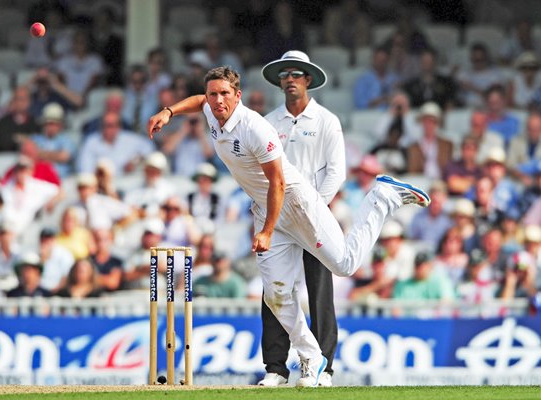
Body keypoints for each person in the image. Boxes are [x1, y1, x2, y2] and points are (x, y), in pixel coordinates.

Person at [147, 66, 430, 387]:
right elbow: (198, 101)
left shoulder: (255, 127)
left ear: (238, 97)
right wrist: (169, 111)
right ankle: (312, 356)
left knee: (346, 265)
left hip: (295, 203)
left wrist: (266, 230)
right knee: (276, 295)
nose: (217, 100)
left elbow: (278, 183)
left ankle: (382, 196)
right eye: (214, 94)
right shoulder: (212, 111)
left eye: (225, 94)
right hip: (266, 209)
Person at [257, 50, 346, 387]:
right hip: (279, 219)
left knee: (319, 291)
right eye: (285, 75)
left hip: (314, 218)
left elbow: (335, 173)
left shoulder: (326, 121)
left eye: (296, 74)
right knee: (275, 289)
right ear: (280, 81)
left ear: (308, 80)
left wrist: (314, 209)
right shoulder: (268, 122)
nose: (290, 79)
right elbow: (262, 171)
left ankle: (324, 367)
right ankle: (276, 368)